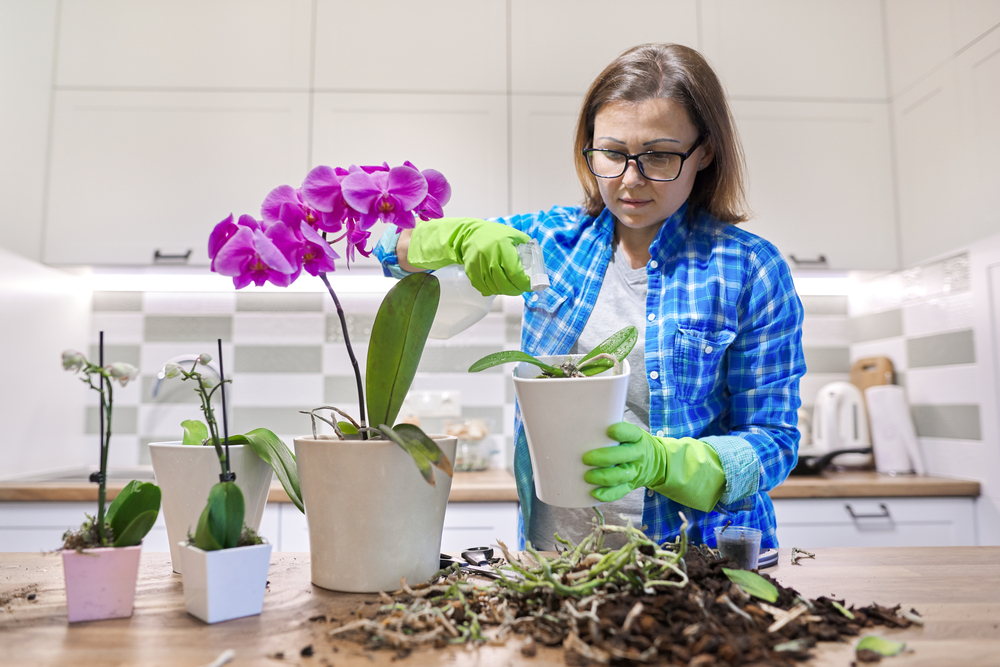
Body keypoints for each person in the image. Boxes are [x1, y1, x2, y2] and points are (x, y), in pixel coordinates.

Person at [375, 43, 805, 552]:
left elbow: (774, 440)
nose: (629, 180)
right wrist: (457, 238)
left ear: (705, 151)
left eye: (659, 156)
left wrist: (670, 464)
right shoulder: (549, 245)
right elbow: (383, 246)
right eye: (613, 153)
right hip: (557, 563)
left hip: (696, 561)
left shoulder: (749, 268)